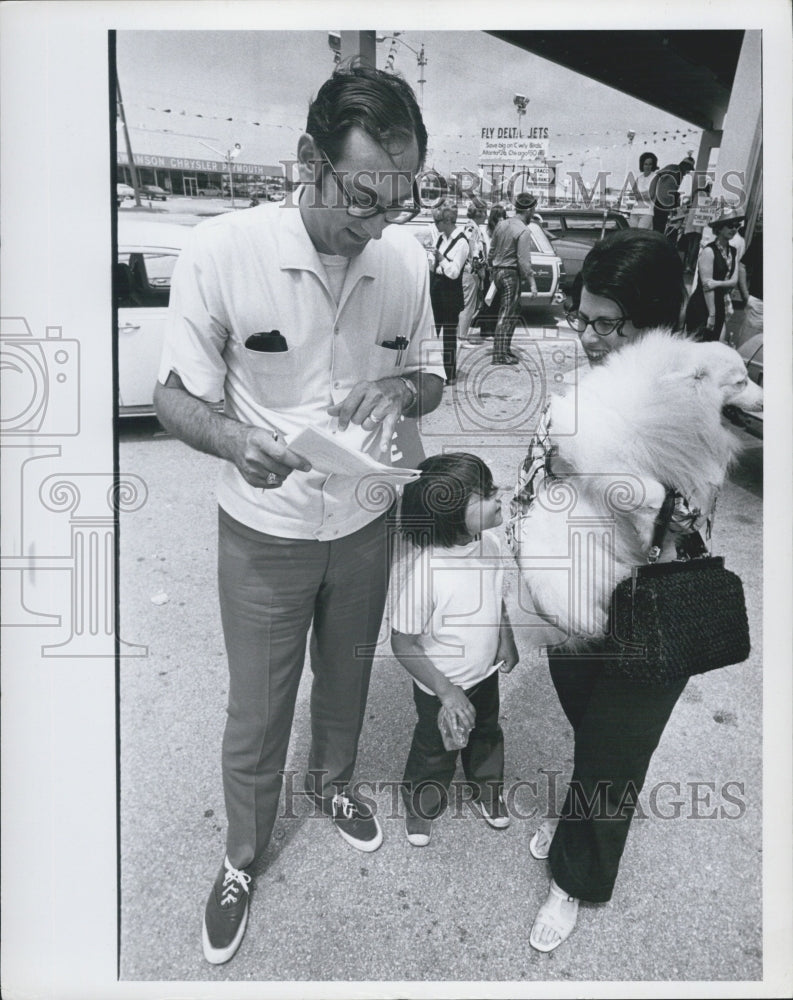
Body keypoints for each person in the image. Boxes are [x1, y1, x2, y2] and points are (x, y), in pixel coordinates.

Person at [153, 62, 444, 966]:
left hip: (363, 524)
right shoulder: (221, 250)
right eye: (360, 197)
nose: (373, 224)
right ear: (308, 158)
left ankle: (333, 785)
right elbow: (172, 397)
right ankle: (243, 853)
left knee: (348, 682)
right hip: (264, 533)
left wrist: (402, 387)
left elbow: (433, 374)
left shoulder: (403, 257)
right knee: (258, 706)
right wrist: (234, 438)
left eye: (395, 203)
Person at [508, 229, 697, 954]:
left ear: (652, 325)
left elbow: (676, 522)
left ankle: (576, 879)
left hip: (650, 615)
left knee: (615, 758)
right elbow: (533, 481)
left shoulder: (687, 400)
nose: (585, 336)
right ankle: (574, 824)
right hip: (570, 607)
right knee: (592, 738)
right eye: (579, 317)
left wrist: (579, 466)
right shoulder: (580, 389)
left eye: (605, 323)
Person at [390, 453, 519, 846]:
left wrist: (505, 635)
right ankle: (422, 802)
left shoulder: (491, 544)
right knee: (436, 749)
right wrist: (446, 692)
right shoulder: (428, 572)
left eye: (493, 488)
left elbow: (494, 596)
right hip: (441, 690)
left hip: (484, 674)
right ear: (449, 515)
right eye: (485, 495)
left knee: (486, 734)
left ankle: (487, 789)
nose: (500, 497)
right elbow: (402, 642)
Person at [487, 192, 539, 365]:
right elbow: (524, 261)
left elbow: (491, 251)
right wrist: (532, 283)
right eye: (533, 210)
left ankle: (504, 350)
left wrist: (492, 269)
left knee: (509, 313)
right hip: (510, 273)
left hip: (497, 272)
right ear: (530, 210)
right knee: (508, 313)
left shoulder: (501, 225)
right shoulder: (523, 230)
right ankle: (500, 355)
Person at [684, 206, 743, 341]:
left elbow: (734, 281)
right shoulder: (709, 251)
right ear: (720, 228)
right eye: (730, 225)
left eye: (737, 226)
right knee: (696, 345)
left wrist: (717, 283)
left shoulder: (732, 251)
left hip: (719, 304)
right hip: (703, 305)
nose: (734, 229)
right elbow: (706, 288)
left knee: (712, 345)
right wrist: (712, 314)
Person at [429, 203, 469, 386]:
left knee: (449, 335)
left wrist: (441, 259)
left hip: (450, 291)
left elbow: (454, 272)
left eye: (437, 221)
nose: (435, 224)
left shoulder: (461, 242)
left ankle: (449, 373)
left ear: (447, 221)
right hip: (436, 287)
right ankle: (431, 369)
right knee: (431, 330)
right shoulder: (440, 238)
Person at [457, 198, 489, 347]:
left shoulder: (473, 227)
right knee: (467, 305)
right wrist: (480, 267)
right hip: (471, 272)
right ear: (479, 213)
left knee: (469, 304)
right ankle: (461, 337)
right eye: (484, 212)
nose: (487, 215)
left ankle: (461, 335)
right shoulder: (472, 228)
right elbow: (473, 251)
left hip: (471, 272)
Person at [475, 204, 508, 339]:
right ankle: (486, 330)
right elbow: (485, 249)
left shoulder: (504, 231)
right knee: (488, 299)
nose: (501, 220)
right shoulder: (485, 231)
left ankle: (493, 329)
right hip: (489, 268)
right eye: (499, 218)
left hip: (499, 267)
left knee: (497, 300)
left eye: (503, 217)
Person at [650, 156, 694, 235]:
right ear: (685, 165)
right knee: (657, 227)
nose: (688, 171)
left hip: (667, 205)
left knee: (662, 227)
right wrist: (652, 192)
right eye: (689, 168)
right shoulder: (673, 168)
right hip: (660, 201)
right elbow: (657, 176)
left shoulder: (680, 174)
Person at [627, 151, 657, 230]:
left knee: (641, 236)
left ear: (653, 165)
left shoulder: (654, 177)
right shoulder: (639, 178)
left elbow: (650, 196)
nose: (647, 166)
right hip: (634, 211)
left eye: (650, 164)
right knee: (632, 235)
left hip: (647, 213)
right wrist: (644, 194)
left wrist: (638, 195)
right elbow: (631, 195)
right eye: (645, 164)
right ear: (642, 165)